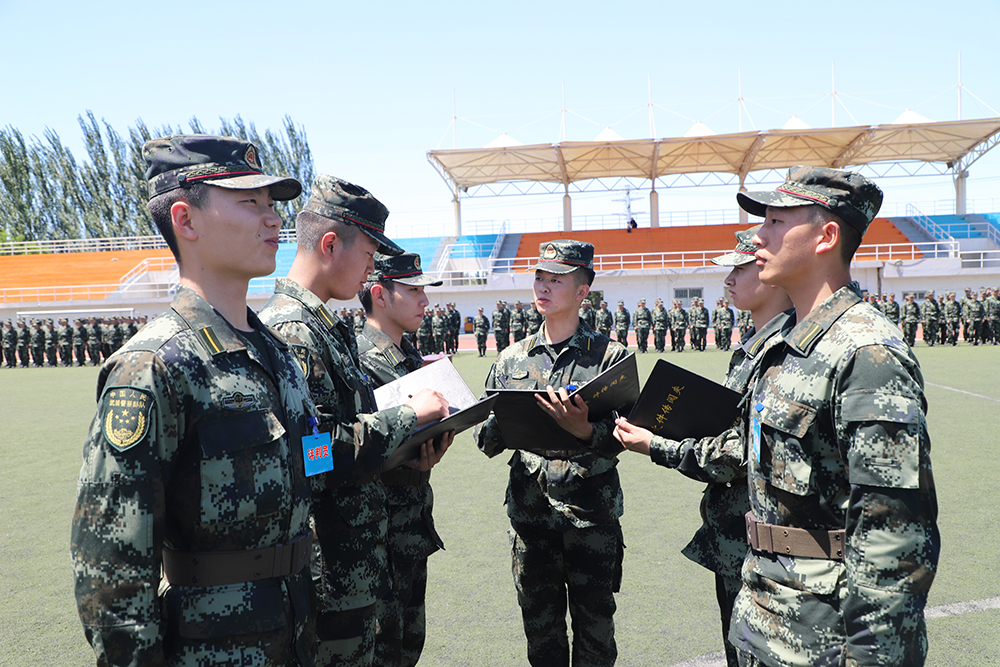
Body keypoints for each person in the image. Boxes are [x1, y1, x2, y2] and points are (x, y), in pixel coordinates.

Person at [71, 134, 318, 666]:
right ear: (186, 220)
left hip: (297, 636)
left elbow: (313, 459)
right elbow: (112, 568)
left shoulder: (275, 352)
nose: (273, 218)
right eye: (250, 202)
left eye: (272, 204)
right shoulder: (155, 365)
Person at [730, 166, 939, 666]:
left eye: (776, 222)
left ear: (826, 237)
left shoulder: (867, 354)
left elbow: (893, 539)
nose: (758, 236)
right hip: (765, 620)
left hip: (825, 639)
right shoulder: (787, 344)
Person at [259, 175, 448, 667]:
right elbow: (314, 455)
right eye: (367, 254)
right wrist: (409, 417)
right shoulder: (296, 331)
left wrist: (406, 450)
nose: (370, 269)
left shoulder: (319, 325)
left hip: (353, 562)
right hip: (331, 573)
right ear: (329, 245)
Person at [614, 225, 793, 667]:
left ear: (771, 273)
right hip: (741, 539)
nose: (728, 280)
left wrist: (658, 444)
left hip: (768, 549)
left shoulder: (783, 351)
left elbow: (739, 454)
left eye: (740, 269)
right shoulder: (755, 346)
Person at [474, 240, 628, 667]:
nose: (543, 286)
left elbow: (626, 434)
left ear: (582, 291)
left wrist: (585, 430)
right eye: (539, 278)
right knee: (541, 635)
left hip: (591, 516)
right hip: (531, 518)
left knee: (596, 632)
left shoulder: (609, 358)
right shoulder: (512, 359)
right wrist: (507, 422)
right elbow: (485, 440)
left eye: (555, 280)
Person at [356, 252, 453, 667]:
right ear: (380, 295)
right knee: (381, 650)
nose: (424, 300)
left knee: (408, 646)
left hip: (411, 524)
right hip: (374, 534)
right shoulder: (356, 360)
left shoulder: (411, 357)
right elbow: (335, 450)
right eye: (413, 291)